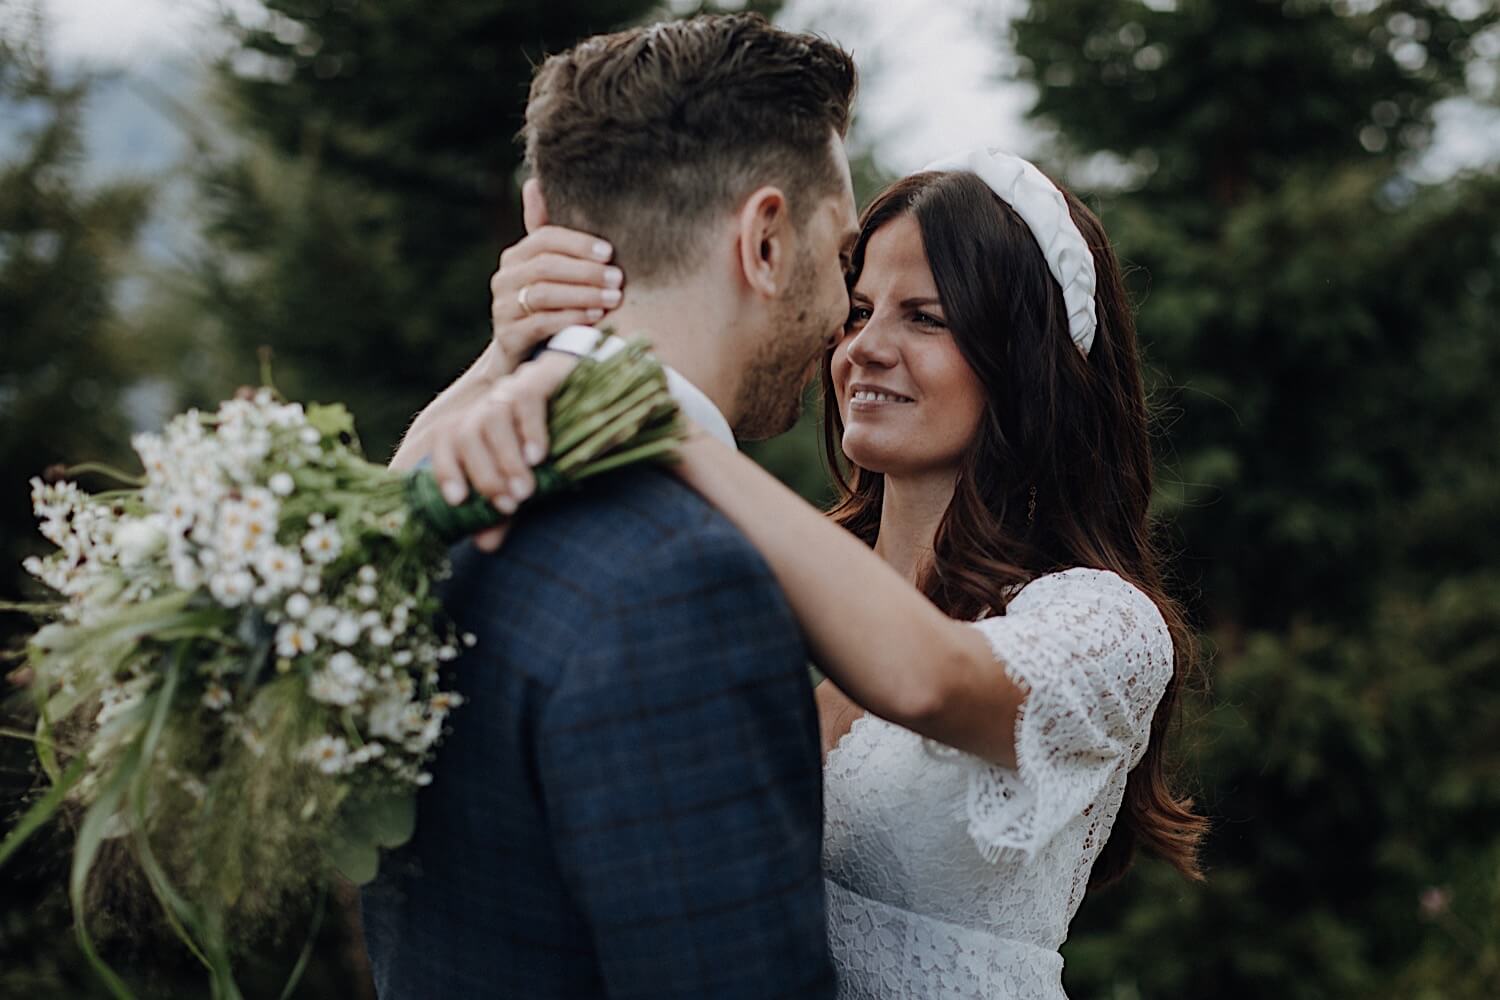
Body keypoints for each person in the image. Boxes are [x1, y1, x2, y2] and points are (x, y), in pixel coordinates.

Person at [423, 149, 1210, 997]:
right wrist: (504, 361)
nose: (865, 349)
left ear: (1026, 362)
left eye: (926, 318)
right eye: (860, 309)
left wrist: (653, 411)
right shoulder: (780, 567)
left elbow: (927, 676)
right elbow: (411, 564)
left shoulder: (1107, 626)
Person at [360, 14, 860, 999]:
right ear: (764, 239)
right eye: (842, 256)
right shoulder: (683, 576)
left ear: (540, 216)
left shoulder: (419, 517)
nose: (848, 313)